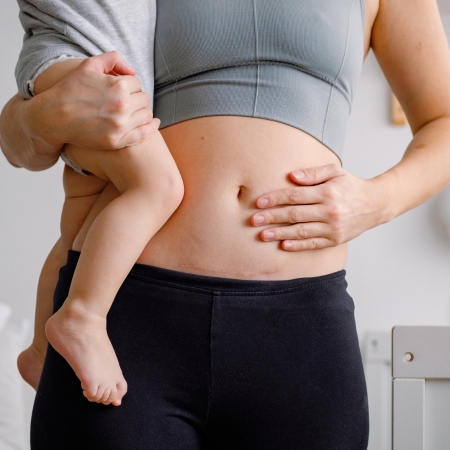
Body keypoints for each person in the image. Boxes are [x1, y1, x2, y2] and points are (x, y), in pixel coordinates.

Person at [2, 0, 450, 448]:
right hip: (125, 319)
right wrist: (38, 116)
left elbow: (443, 120)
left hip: (299, 331)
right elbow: (18, 130)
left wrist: (377, 201)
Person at [13, 1, 183, 407]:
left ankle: (39, 351)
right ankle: (83, 316)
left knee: (79, 231)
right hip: (75, 66)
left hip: (104, 75)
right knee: (160, 186)